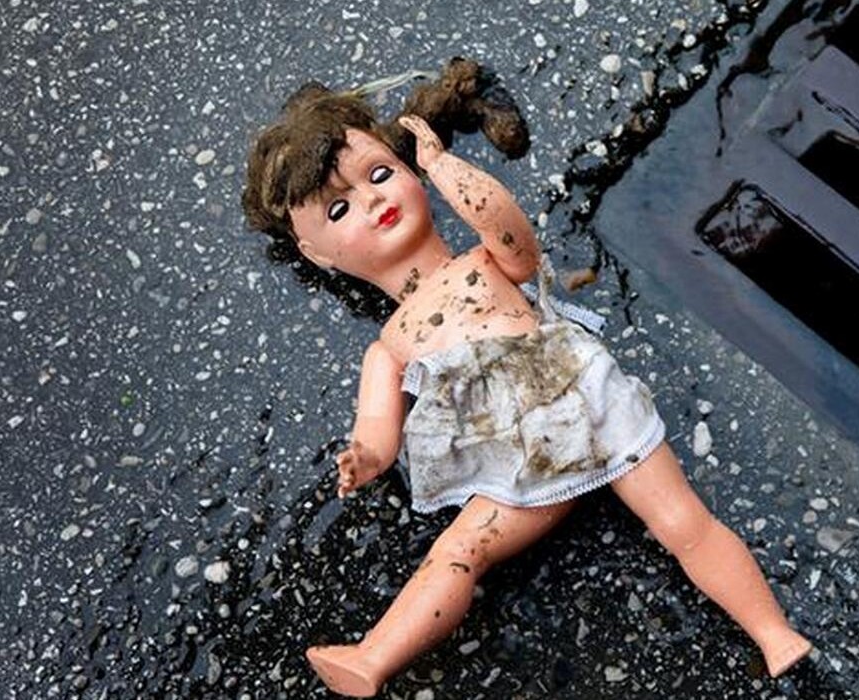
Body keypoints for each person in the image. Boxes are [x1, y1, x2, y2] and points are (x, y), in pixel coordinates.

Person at [241, 75, 812, 698]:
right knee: (458, 551)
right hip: (511, 461)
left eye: (380, 174)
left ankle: (772, 632)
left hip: (580, 396)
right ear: (316, 253)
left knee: (685, 522)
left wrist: (445, 167)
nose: (373, 199)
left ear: (409, 172)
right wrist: (366, 458)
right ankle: (373, 657)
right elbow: (378, 426)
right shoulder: (390, 346)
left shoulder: (480, 264)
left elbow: (512, 238)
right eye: (338, 209)